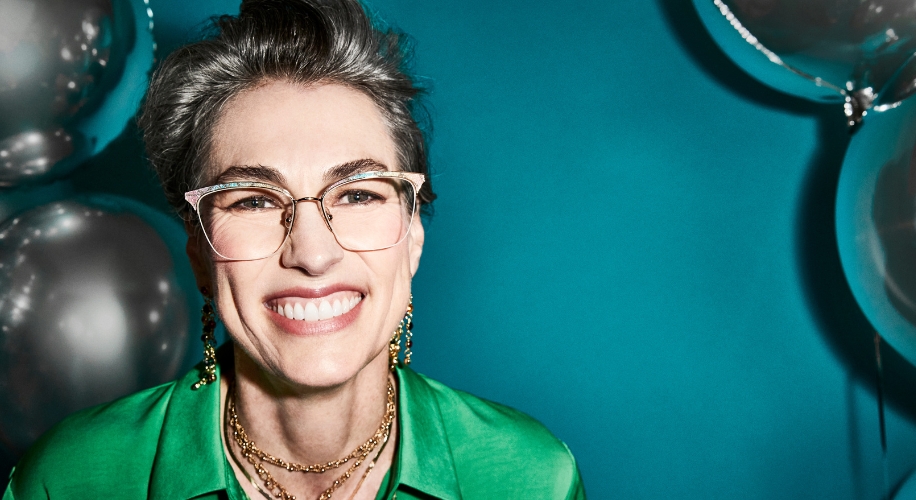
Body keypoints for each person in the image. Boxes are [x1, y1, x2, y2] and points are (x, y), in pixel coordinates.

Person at [2, 0, 585, 498]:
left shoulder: (530, 478)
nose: (312, 252)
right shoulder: (71, 479)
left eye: (357, 194)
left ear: (411, 239)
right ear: (200, 254)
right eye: (253, 201)